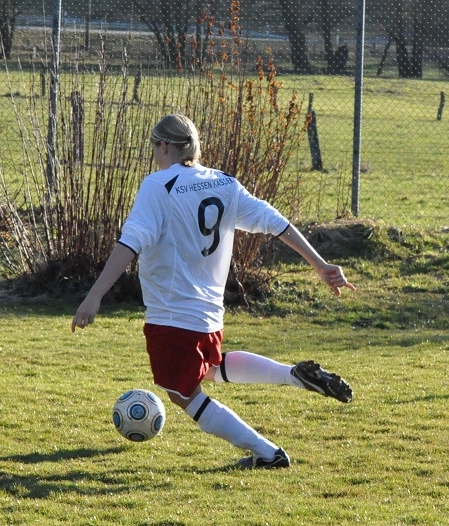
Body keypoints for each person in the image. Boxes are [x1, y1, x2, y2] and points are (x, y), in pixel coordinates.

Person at [72, 113, 354, 469]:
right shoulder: (223, 182)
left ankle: (268, 454)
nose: (154, 154)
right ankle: (292, 375)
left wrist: (95, 295)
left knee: (182, 393)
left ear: (164, 146)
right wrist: (319, 264)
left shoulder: (158, 186)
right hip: (209, 315)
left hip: (172, 316)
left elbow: (131, 242)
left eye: (154, 147)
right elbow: (273, 220)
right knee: (208, 367)